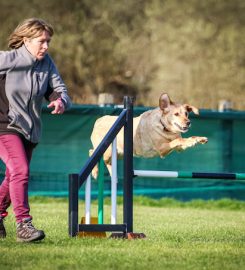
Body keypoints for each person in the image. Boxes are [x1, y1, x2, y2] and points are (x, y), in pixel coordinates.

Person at [0, 18, 72, 242]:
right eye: (42, 41)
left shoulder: (46, 63)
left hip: (29, 130)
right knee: (20, 170)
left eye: (48, 41)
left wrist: (61, 101)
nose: (46, 46)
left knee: (14, 175)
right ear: (26, 40)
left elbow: (59, 90)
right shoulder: (8, 60)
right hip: (4, 126)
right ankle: (24, 224)